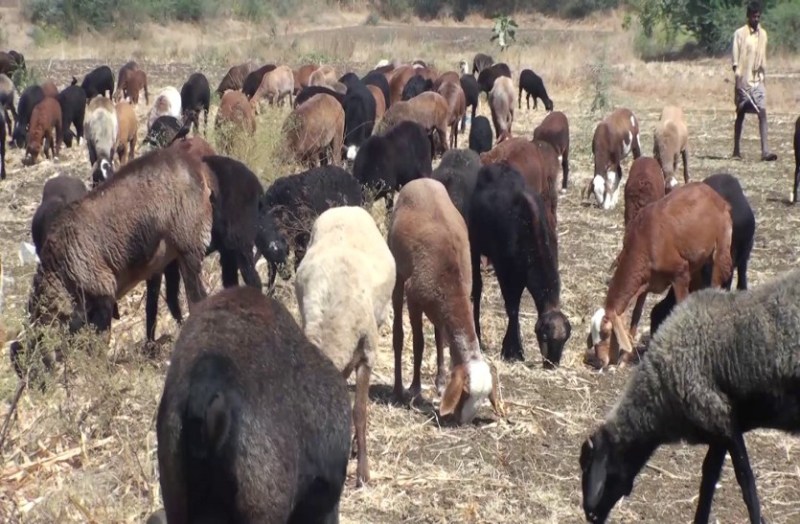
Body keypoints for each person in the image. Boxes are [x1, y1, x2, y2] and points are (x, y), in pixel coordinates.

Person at [731, 1, 778, 161]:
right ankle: (736, 151)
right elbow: (735, 62)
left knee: (762, 113)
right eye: (754, 16)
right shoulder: (739, 34)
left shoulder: (763, 34)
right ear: (748, 16)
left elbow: (763, 58)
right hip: (744, 82)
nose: (756, 19)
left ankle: (765, 151)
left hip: (758, 81)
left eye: (758, 16)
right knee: (741, 114)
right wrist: (738, 86)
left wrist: (764, 80)